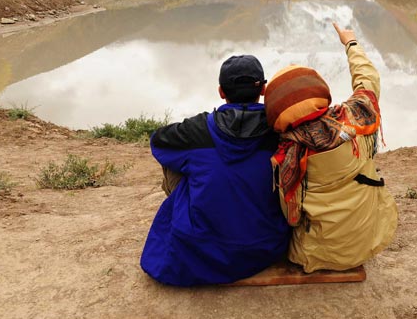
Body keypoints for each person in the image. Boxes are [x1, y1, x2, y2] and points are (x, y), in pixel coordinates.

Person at [140, 55, 290, 286]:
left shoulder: (197, 130)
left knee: (180, 160)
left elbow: (157, 141)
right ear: (263, 89)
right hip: (265, 246)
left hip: (202, 249)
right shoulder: (280, 129)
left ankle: (200, 210)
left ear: (221, 92)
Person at [265, 22, 397, 273]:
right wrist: (351, 43)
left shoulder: (289, 153)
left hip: (313, 255)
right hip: (366, 242)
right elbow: (367, 80)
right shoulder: (356, 117)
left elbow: (291, 216)